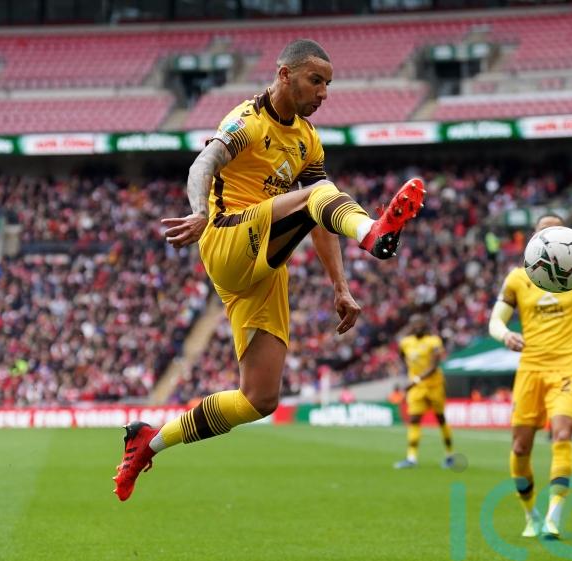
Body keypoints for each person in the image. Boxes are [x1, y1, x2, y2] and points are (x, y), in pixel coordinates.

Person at [113, 39, 425, 501]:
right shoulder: (247, 121)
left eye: (328, 84)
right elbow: (203, 163)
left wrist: (340, 286)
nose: (323, 93)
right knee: (318, 193)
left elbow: (319, 215)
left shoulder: (306, 139)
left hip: (262, 268)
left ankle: (149, 442)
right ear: (284, 75)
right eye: (315, 80)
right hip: (225, 236)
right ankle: (373, 234)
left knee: (259, 398)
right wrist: (198, 210)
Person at [488, 214, 572, 539]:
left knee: (562, 435)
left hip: (567, 367)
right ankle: (531, 515)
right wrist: (505, 336)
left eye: (557, 233)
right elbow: (495, 321)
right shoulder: (517, 279)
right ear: (534, 240)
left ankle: (554, 517)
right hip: (530, 368)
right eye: (544, 233)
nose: (550, 238)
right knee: (519, 447)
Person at [394, 315, 454, 469]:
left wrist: (414, 380)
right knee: (414, 419)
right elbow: (401, 357)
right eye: (415, 324)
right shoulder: (405, 343)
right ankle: (411, 458)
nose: (418, 327)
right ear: (411, 327)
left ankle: (449, 455)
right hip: (417, 388)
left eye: (421, 324)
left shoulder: (434, 341)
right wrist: (410, 374)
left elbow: (434, 366)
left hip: (434, 385)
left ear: (426, 325)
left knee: (440, 418)